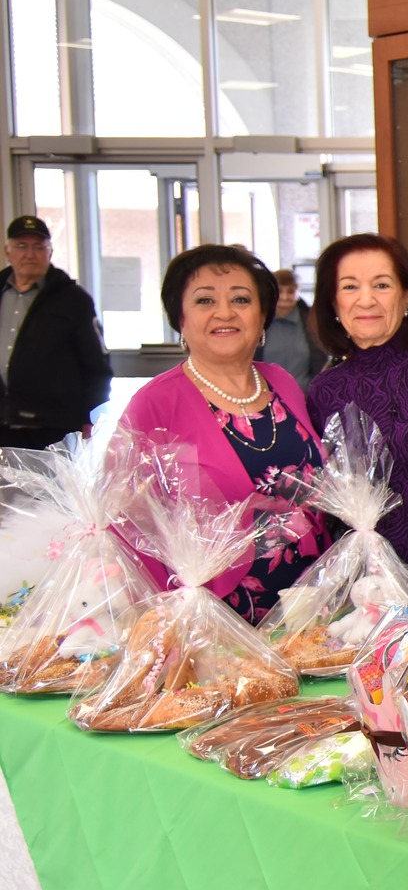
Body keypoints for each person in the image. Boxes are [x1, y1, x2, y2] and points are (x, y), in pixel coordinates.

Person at [118, 246, 328, 621]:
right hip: (218, 624)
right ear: (179, 318)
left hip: (311, 610)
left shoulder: (282, 383)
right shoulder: (153, 405)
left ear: (263, 315)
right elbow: (130, 532)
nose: (225, 312)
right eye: (205, 300)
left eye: (241, 299)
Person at [307, 234, 408, 590]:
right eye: (350, 287)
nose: (366, 299)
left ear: (406, 296)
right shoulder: (324, 390)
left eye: (382, 285)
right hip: (369, 585)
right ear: (333, 302)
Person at [0, 215, 112, 448]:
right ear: (7, 251)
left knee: (47, 486)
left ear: (49, 253)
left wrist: (90, 414)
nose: (29, 254)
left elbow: (97, 365)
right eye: (21, 246)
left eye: (38, 247)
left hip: (52, 427)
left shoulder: (74, 300)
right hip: (3, 422)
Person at [261, 268, 326, 393]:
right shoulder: (259, 321)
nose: (284, 297)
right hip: (265, 399)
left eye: (290, 291)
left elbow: (320, 364)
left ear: (298, 292)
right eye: (280, 291)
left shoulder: (313, 321)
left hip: (304, 399)